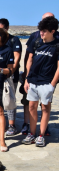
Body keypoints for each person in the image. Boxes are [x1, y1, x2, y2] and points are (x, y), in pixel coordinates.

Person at [23, 16, 59, 147]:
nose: (41, 33)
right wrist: (27, 78)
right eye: (40, 30)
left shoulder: (57, 45)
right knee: (32, 107)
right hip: (32, 81)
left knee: (45, 109)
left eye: (44, 31)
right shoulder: (36, 42)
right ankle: (31, 134)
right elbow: (29, 60)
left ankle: (41, 135)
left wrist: (52, 85)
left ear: (52, 31)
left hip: (47, 83)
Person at [0, 18, 22, 136]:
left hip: (10, 76)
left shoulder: (14, 40)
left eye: (0, 28)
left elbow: (16, 58)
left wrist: (10, 72)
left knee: (10, 99)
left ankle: (12, 125)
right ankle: (0, 125)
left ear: (7, 28)